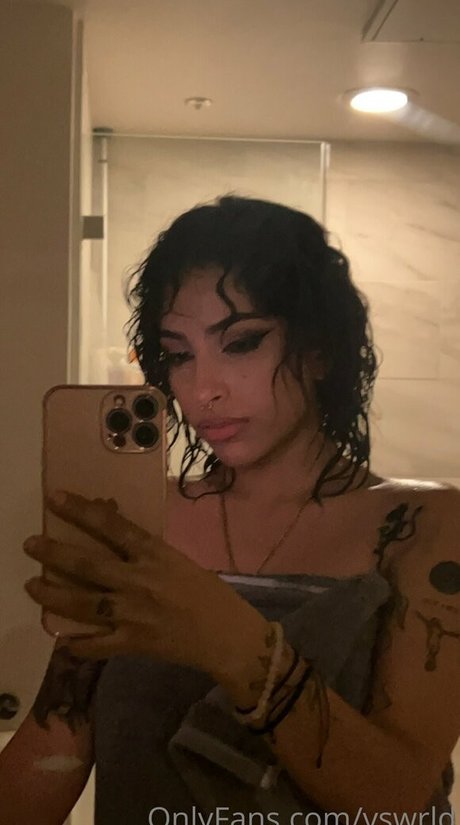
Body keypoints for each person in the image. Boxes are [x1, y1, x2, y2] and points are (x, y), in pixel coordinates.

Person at [1, 195, 459, 824]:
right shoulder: (142, 520)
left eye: (241, 343)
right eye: (179, 354)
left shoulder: (426, 526)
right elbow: (53, 747)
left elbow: (400, 801)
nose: (202, 389)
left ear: (319, 348)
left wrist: (228, 639)